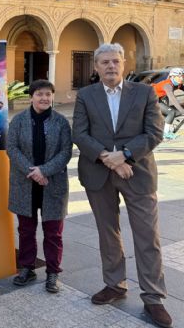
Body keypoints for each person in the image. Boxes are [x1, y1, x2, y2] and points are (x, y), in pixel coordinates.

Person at [73, 43, 172, 328]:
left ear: (124, 64)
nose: (110, 66)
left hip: (137, 173)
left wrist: (125, 154)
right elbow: (79, 133)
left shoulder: (144, 93)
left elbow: (154, 133)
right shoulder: (86, 95)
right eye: (104, 62)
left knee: (147, 236)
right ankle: (115, 284)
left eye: (115, 61)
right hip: (98, 173)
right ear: (96, 67)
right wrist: (110, 158)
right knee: (108, 232)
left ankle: (153, 297)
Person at [6, 79, 72, 293]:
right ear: (32, 97)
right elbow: (12, 149)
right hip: (25, 183)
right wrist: (33, 172)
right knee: (26, 229)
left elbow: (66, 152)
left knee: (53, 232)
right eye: (39, 94)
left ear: (52, 97)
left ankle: (52, 272)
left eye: (48, 94)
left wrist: (44, 171)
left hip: (52, 183)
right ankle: (27, 267)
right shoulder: (18, 121)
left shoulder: (61, 122)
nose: (44, 98)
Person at [152, 67, 184, 139]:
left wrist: (181, 110)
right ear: (172, 76)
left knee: (175, 112)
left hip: (158, 99)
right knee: (171, 112)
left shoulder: (178, 84)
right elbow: (173, 99)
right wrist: (182, 110)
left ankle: (163, 127)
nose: (181, 78)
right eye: (179, 76)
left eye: (182, 76)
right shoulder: (167, 85)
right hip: (149, 100)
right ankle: (166, 134)